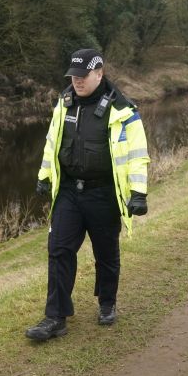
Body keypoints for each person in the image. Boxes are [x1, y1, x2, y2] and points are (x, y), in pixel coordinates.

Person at [25, 48, 150, 341]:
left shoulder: (123, 110)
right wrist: (44, 177)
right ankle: (55, 317)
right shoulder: (64, 103)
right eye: (74, 76)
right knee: (59, 250)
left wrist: (139, 193)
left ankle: (107, 303)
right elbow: (52, 142)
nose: (77, 81)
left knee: (105, 253)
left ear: (99, 73)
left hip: (103, 193)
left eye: (83, 76)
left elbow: (137, 155)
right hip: (69, 191)